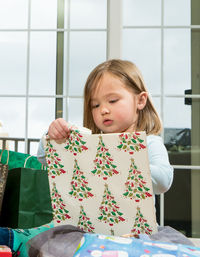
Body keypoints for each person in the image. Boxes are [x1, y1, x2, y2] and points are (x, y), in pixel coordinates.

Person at [37, 59, 173, 196]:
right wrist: (53, 134)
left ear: (140, 100)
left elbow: (163, 181)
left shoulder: (149, 142)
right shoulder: (88, 144)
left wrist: (122, 160)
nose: (103, 110)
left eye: (113, 100)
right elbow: (44, 158)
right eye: (95, 105)